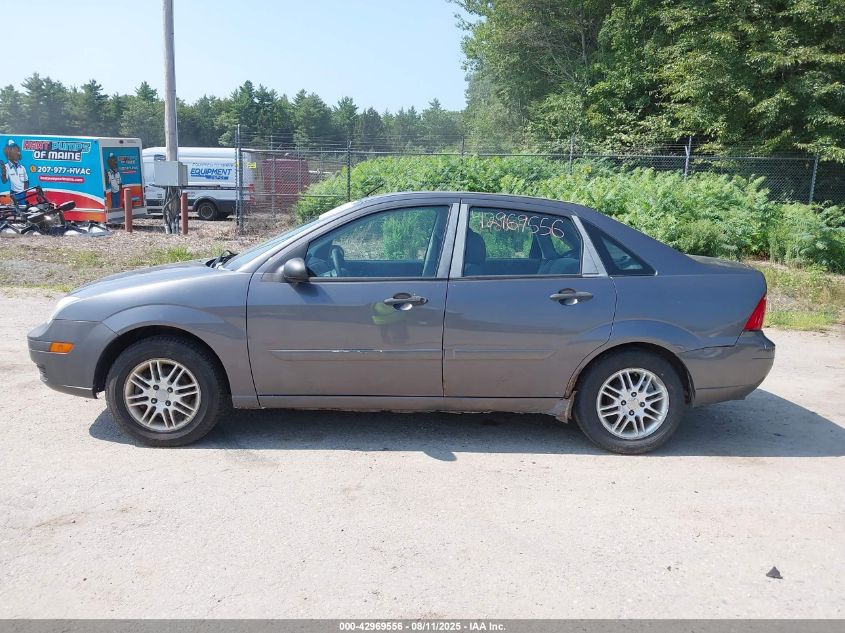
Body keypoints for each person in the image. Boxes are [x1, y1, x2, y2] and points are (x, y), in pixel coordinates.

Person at [1, 139, 29, 207]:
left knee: (23, 209)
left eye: (18, 150)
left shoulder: (22, 168)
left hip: (22, 194)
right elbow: (4, 181)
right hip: (13, 194)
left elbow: (26, 181)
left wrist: (24, 193)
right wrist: (3, 171)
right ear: (9, 153)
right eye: (15, 150)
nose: (18, 153)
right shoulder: (6, 166)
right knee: (14, 210)